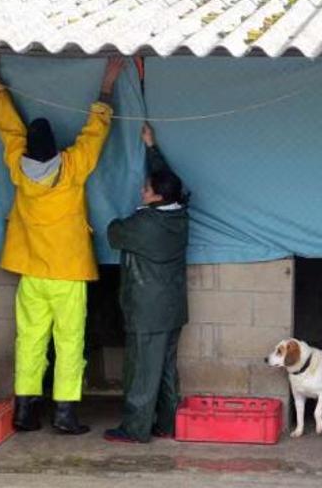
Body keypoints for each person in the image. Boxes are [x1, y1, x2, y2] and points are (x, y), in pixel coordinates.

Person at [0, 53, 125, 435]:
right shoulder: (71, 168)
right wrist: (107, 84)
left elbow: (7, 129)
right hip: (68, 275)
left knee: (30, 342)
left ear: (27, 150)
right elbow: (96, 132)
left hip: (32, 275)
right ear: (55, 150)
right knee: (69, 343)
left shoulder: (17, 167)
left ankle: (25, 413)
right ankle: (64, 415)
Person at [103, 123, 189, 443]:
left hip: (147, 312)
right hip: (171, 309)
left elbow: (114, 232)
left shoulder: (145, 224)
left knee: (141, 371)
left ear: (156, 197)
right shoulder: (179, 214)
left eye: (146, 189)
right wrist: (151, 148)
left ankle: (135, 428)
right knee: (165, 370)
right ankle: (166, 423)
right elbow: (168, 180)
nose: (142, 191)